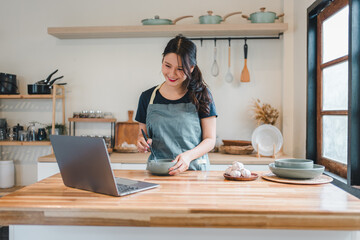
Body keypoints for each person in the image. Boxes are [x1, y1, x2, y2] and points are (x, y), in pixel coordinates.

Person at [135, 35, 217, 175]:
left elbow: (210, 140)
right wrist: (141, 142)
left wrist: (188, 156)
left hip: (194, 173)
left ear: (191, 68)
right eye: (167, 66)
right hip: (158, 173)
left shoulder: (201, 95)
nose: (172, 74)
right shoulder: (147, 97)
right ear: (162, 61)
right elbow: (142, 135)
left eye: (180, 69)